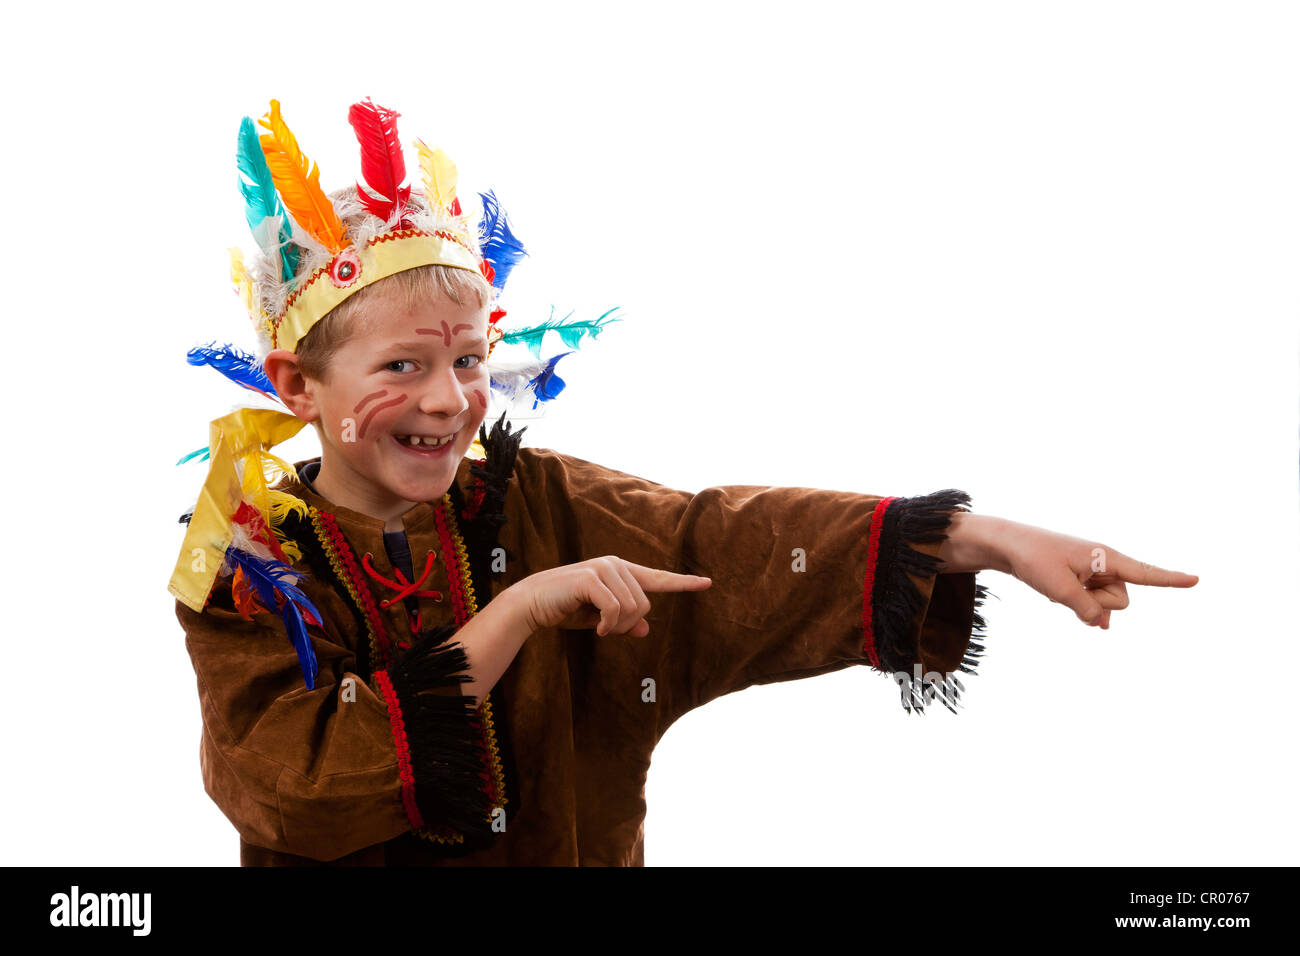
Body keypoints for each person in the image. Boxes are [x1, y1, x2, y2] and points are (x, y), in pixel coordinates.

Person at [170, 97, 1199, 866]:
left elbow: (726, 543)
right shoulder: (246, 564)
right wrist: (520, 609)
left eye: (471, 361)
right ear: (297, 384)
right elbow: (294, 786)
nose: (451, 400)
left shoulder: (537, 503)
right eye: (404, 367)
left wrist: (997, 540)